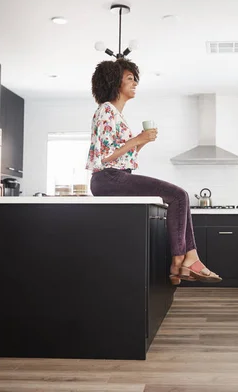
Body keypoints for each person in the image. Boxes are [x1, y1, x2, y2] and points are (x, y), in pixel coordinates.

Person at [86, 58, 222, 285]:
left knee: (180, 197)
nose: (134, 83)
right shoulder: (106, 110)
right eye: (129, 78)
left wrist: (142, 142)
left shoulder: (116, 115)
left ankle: (188, 258)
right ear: (115, 82)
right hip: (108, 178)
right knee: (179, 195)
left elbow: (122, 155)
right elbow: (105, 157)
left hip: (115, 176)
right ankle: (181, 260)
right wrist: (138, 139)